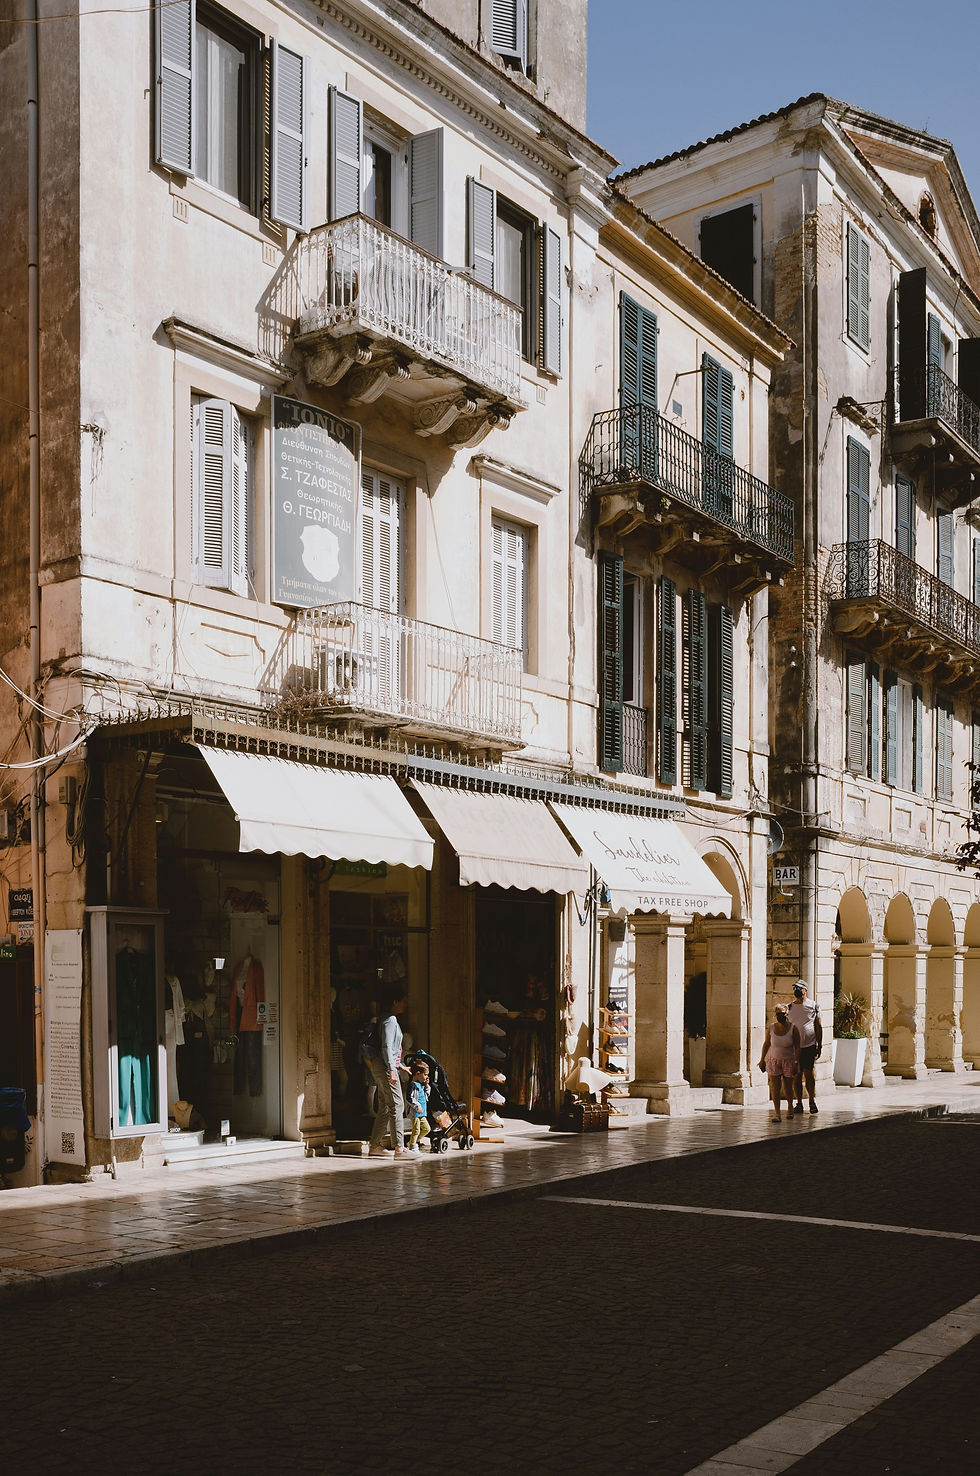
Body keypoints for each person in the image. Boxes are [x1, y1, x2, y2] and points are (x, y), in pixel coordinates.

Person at [366, 986, 411, 1160]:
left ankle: (375, 1145)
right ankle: (399, 1148)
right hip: (385, 1067)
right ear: (395, 1002)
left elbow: (389, 1048)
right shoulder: (390, 1020)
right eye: (403, 1000)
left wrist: (399, 1066)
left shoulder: (386, 1019)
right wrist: (392, 1069)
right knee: (397, 1105)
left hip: (382, 1065)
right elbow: (386, 1047)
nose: (406, 1004)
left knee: (385, 1105)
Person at [758, 1004, 800, 1123]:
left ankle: (790, 1107)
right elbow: (766, 1044)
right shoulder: (771, 1027)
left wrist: (796, 1062)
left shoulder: (793, 1028)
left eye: (782, 1014)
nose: (779, 1016)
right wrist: (762, 1059)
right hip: (774, 1060)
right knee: (775, 1087)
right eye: (777, 1014)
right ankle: (777, 1113)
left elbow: (797, 1047)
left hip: (789, 1060)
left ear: (787, 1014)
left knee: (787, 1087)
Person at [787, 979, 823, 1114]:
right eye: (795, 988)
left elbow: (818, 1026)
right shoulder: (789, 1007)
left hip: (809, 1045)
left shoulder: (813, 1006)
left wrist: (819, 1045)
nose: (796, 990)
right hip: (794, 1047)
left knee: (809, 1073)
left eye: (799, 988)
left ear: (805, 990)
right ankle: (799, 1103)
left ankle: (812, 1100)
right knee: (796, 1075)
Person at [407, 1061, 431, 1154]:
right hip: (415, 1112)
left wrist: (426, 1085)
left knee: (426, 1129)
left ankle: (413, 1141)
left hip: (422, 1112)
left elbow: (427, 1094)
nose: (426, 1077)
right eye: (425, 1075)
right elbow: (409, 1098)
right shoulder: (412, 1085)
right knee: (416, 1129)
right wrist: (417, 1106)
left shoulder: (421, 1084)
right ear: (417, 1074)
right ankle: (412, 1146)